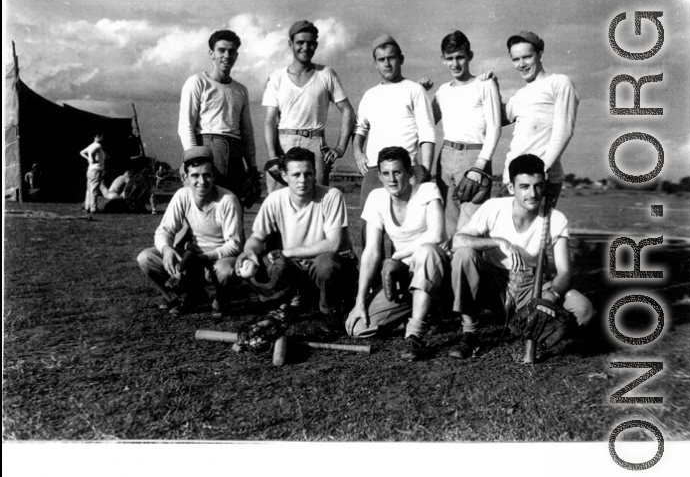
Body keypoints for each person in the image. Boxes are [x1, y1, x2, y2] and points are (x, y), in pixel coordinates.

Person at [449, 153, 594, 358]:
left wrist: (551, 296)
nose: (533, 194)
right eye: (524, 186)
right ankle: (470, 334)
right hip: (492, 282)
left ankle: (534, 330)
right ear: (511, 188)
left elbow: (564, 272)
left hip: (530, 285)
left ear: (544, 186)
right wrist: (498, 242)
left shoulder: (555, 218)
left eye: (538, 186)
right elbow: (457, 241)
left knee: (583, 309)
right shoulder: (493, 208)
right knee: (464, 255)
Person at [345, 146, 449, 360]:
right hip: (405, 277)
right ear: (380, 176)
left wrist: (395, 257)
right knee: (359, 328)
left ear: (409, 173)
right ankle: (419, 313)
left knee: (426, 252)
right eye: (385, 173)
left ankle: (414, 336)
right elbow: (371, 252)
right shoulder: (377, 197)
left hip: (437, 273)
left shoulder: (427, 190)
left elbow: (437, 235)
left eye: (397, 172)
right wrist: (359, 301)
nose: (391, 179)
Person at [236, 147, 356, 326]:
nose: (302, 180)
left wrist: (288, 253)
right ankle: (293, 299)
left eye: (308, 174)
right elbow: (258, 236)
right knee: (266, 260)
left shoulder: (331, 196)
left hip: (331, 267)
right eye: (296, 175)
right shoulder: (275, 199)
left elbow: (333, 244)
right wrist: (249, 251)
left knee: (325, 264)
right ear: (284, 176)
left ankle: (330, 311)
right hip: (298, 268)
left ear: (314, 174)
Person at [136, 146, 244, 318]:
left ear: (214, 175)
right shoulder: (182, 195)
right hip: (191, 259)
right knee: (146, 258)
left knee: (227, 271)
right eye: (195, 175)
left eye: (207, 175)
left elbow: (235, 244)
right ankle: (185, 296)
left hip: (218, 259)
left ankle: (221, 298)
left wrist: (206, 257)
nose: (202, 181)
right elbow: (164, 230)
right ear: (186, 177)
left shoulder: (227, 200)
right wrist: (167, 250)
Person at [262, 19, 355, 191]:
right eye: (300, 42)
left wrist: (340, 148)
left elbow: (348, 111)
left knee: (318, 202)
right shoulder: (277, 77)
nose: (305, 47)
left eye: (310, 43)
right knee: (278, 202)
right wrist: (273, 156)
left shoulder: (326, 74)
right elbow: (270, 121)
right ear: (290, 44)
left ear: (316, 45)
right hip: (283, 143)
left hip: (315, 143)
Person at [431, 30, 502, 240]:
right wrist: (418, 90)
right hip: (445, 156)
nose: (455, 63)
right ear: (443, 59)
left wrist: (480, 166)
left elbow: (495, 127)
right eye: (450, 58)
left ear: (469, 56)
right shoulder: (442, 91)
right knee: (447, 229)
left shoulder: (484, 84)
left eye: (460, 57)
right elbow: (424, 123)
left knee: (469, 232)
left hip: (474, 157)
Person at [353, 34, 436, 213]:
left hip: (406, 169)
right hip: (375, 169)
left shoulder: (415, 90)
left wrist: (426, 171)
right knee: (369, 227)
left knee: (406, 228)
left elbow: (427, 132)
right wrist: (358, 152)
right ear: (375, 64)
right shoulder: (370, 95)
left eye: (391, 58)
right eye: (381, 60)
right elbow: (361, 128)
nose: (387, 64)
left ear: (401, 59)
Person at [178, 29, 259, 205]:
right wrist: (195, 161)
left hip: (236, 153)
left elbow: (247, 132)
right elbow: (185, 125)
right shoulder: (197, 82)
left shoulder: (241, 90)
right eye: (221, 50)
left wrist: (252, 167)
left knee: (233, 208)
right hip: (207, 148)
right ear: (211, 53)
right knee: (201, 210)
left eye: (231, 51)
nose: (226, 55)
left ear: (236, 55)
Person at [502, 30, 578, 207]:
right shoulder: (520, 95)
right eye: (515, 59)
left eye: (526, 57)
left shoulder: (559, 82)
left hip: (539, 180)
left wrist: (543, 169)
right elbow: (498, 119)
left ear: (540, 54)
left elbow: (564, 132)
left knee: (538, 234)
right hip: (510, 178)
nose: (521, 64)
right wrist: (489, 84)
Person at [80, 134, 108, 213]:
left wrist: (88, 159)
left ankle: (87, 206)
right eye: (101, 137)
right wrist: (92, 160)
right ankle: (93, 208)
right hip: (96, 169)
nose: (102, 139)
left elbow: (82, 152)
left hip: (90, 169)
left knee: (89, 188)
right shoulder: (98, 146)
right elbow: (92, 152)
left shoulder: (91, 145)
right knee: (94, 190)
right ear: (97, 137)